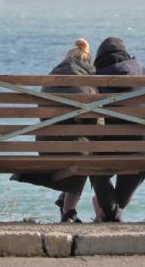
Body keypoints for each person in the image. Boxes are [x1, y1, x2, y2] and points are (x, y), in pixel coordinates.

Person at [10, 38, 99, 222]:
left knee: (77, 147)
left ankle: (65, 204)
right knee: (85, 152)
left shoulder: (49, 80)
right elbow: (97, 125)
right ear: (87, 61)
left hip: (47, 148)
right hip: (75, 150)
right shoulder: (89, 83)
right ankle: (68, 212)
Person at [90, 36, 145, 222]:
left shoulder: (97, 78)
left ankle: (110, 212)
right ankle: (113, 212)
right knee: (140, 151)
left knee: (88, 157)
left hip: (116, 148)